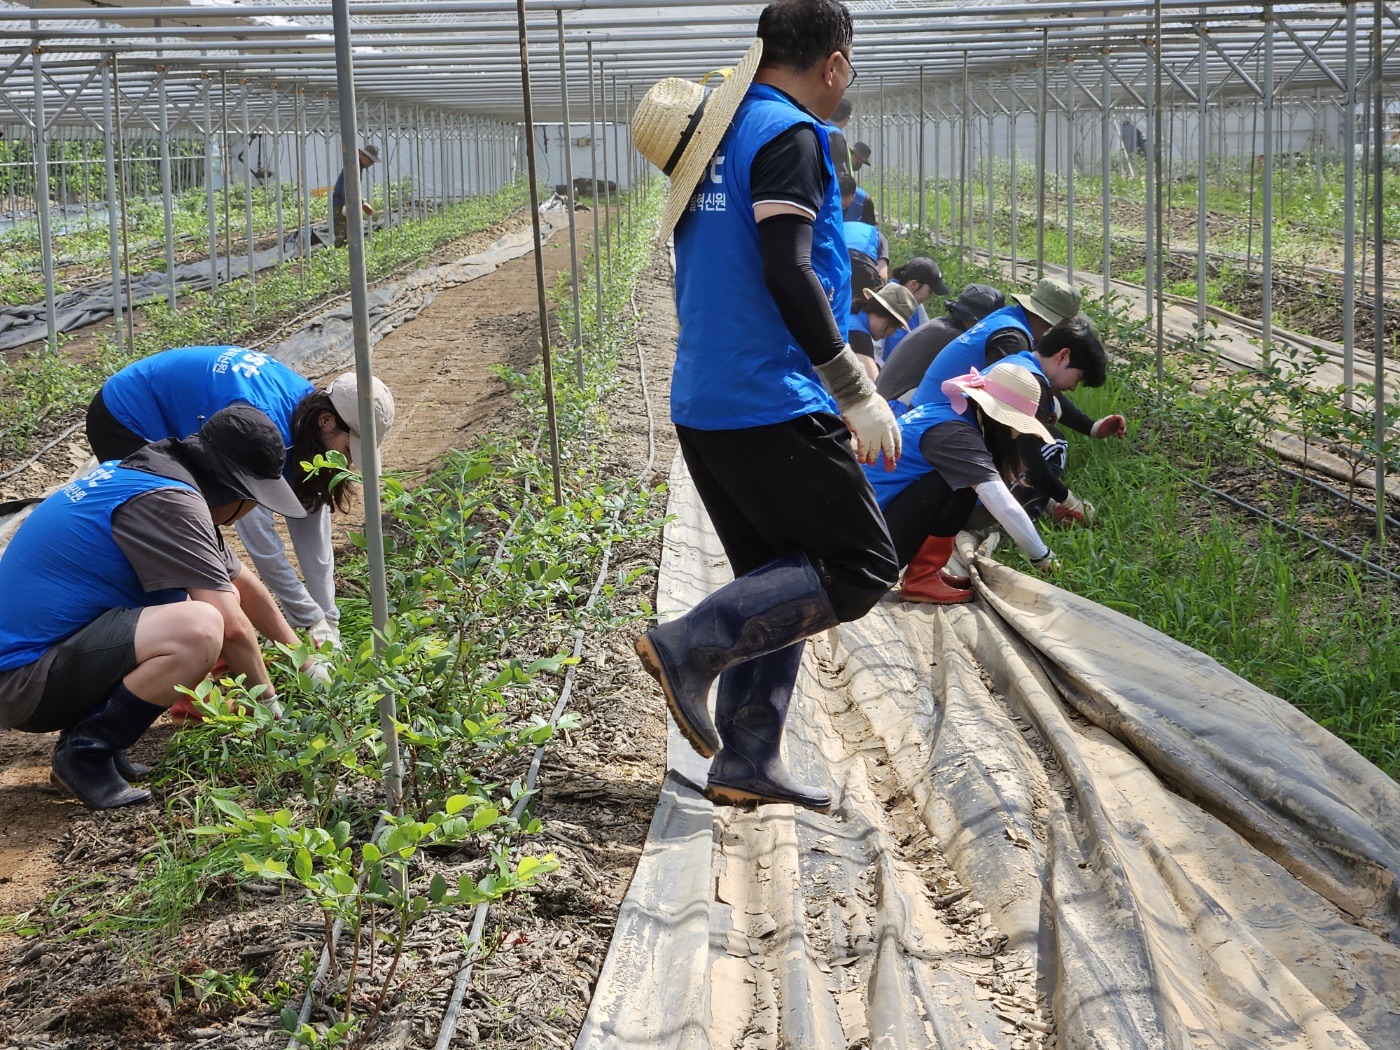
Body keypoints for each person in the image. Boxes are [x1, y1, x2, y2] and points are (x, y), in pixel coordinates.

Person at [631, 0, 899, 814]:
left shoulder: (713, 137)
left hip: (707, 395)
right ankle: (688, 645)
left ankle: (748, 757)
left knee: (779, 574)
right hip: (767, 397)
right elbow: (789, 270)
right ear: (836, 65)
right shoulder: (787, 134)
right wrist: (853, 391)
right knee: (858, 568)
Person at [0, 406, 309, 810]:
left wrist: (303, 660)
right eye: (257, 499)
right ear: (234, 488)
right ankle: (85, 754)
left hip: (36, 665)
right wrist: (272, 715)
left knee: (190, 607)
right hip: (22, 681)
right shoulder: (169, 503)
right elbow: (232, 628)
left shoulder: (147, 476)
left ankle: (94, 745)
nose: (257, 509)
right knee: (198, 626)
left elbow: (238, 580)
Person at [87, 345, 396, 648]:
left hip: (179, 401)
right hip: (128, 414)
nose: (348, 463)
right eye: (346, 449)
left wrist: (328, 618)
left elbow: (310, 519)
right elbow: (259, 537)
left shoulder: (308, 419)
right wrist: (308, 619)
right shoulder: (261, 428)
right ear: (326, 420)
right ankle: (176, 639)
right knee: (176, 529)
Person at [910, 318, 1115, 600]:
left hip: (910, 494)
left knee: (981, 484)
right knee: (1052, 447)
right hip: (883, 528)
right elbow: (1029, 467)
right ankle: (1027, 517)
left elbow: (1052, 403)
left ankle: (923, 571)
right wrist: (1048, 545)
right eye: (1078, 378)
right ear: (1063, 356)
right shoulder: (958, 434)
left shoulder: (1018, 363)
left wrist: (1092, 427)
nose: (1074, 388)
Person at [867, 362, 1059, 603]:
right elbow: (1002, 503)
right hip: (867, 543)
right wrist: (1042, 557)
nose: (1018, 433)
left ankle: (926, 572)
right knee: (965, 484)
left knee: (965, 481)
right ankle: (920, 578)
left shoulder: (948, 413)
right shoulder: (957, 435)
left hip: (868, 523)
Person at [906, 275, 1082, 410]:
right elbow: (996, 405)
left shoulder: (1006, 317)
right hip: (935, 421)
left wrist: (1090, 427)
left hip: (924, 409)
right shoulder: (1013, 340)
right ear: (1050, 323)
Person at [877, 283, 1005, 408]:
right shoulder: (954, 338)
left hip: (886, 399)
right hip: (892, 406)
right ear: (973, 319)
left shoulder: (941, 325)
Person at [879, 257, 951, 360]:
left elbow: (927, 336)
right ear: (914, 284)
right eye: (929, 291)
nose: (929, 297)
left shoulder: (917, 306)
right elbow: (875, 351)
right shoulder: (885, 301)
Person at [848, 281, 917, 369]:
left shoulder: (851, 317)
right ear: (884, 314)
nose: (892, 334)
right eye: (895, 326)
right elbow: (872, 381)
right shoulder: (859, 336)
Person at [841, 174, 888, 301]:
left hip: (856, 254)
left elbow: (871, 231)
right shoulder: (826, 199)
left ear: (853, 195)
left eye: (845, 197)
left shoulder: (864, 201)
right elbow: (883, 276)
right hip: (844, 250)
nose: (841, 201)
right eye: (839, 196)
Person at [332, 143, 379, 248]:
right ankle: (341, 260)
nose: (372, 163)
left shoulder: (357, 166)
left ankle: (346, 258)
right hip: (340, 204)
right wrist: (345, 204)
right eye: (370, 159)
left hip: (345, 203)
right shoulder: (353, 167)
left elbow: (353, 189)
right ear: (362, 155)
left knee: (349, 235)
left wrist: (362, 203)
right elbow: (346, 185)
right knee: (342, 236)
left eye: (373, 161)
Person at [827, 97, 853, 182]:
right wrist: (859, 193)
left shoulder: (820, 127)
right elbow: (840, 171)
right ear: (847, 118)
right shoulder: (835, 135)